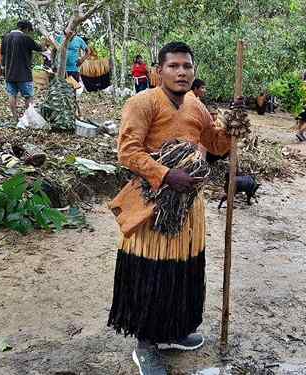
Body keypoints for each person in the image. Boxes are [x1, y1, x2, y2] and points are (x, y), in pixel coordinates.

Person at [107, 42, 231, 375]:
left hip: (188, 206)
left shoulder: (196, 105)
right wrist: (165, 174)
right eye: (173, 66)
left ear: (194, 71)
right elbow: (128, 152)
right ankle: (145, 344)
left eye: (187, 66)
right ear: (158, 71)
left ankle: (174, 330)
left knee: (183, 269)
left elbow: (216, 145)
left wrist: (231, 130)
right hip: (153, 206)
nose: (181, 72)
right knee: (152, 272)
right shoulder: (141, 102)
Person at [1, 21, 45, 122]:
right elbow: (40, 48)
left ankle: (15, 118)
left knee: (12, 96)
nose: (29, 33)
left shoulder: (6, 37)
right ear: (25, 29)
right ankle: (29, 118)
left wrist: (3, 68)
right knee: (28, 97)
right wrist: (44, 40)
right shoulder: (25, 38)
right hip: (24, 73)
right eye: (29, 31)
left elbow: (3, 55)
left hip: (9, 73)